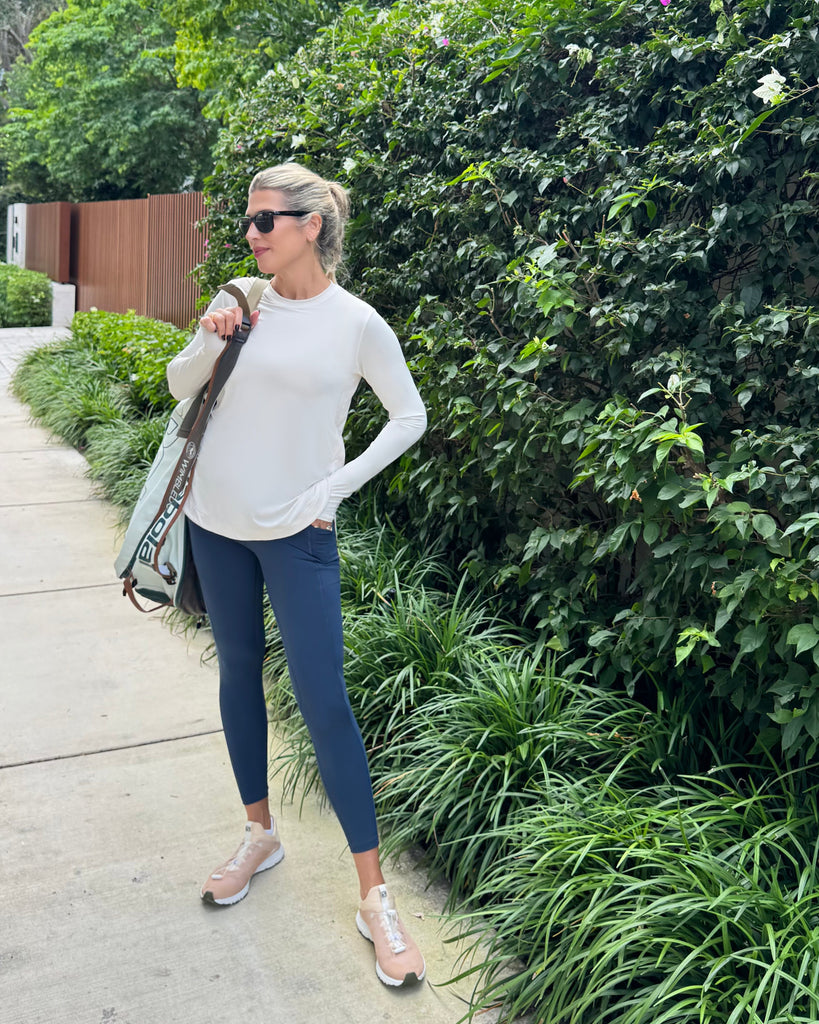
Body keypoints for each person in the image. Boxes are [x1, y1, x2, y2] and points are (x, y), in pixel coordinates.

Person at [166, 163, 427, 987]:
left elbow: (408, 415)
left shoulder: (355, 324)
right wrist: (209, 337)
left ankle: (373, 896)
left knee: (325, 702)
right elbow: (178, 390)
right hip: (215, 520)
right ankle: (259, 834)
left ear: (313, 224)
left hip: (297, 532)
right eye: (249, 220)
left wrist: (332, 488)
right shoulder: (242, 299)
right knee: (238, 675)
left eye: (268, 220)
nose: (252, 233)